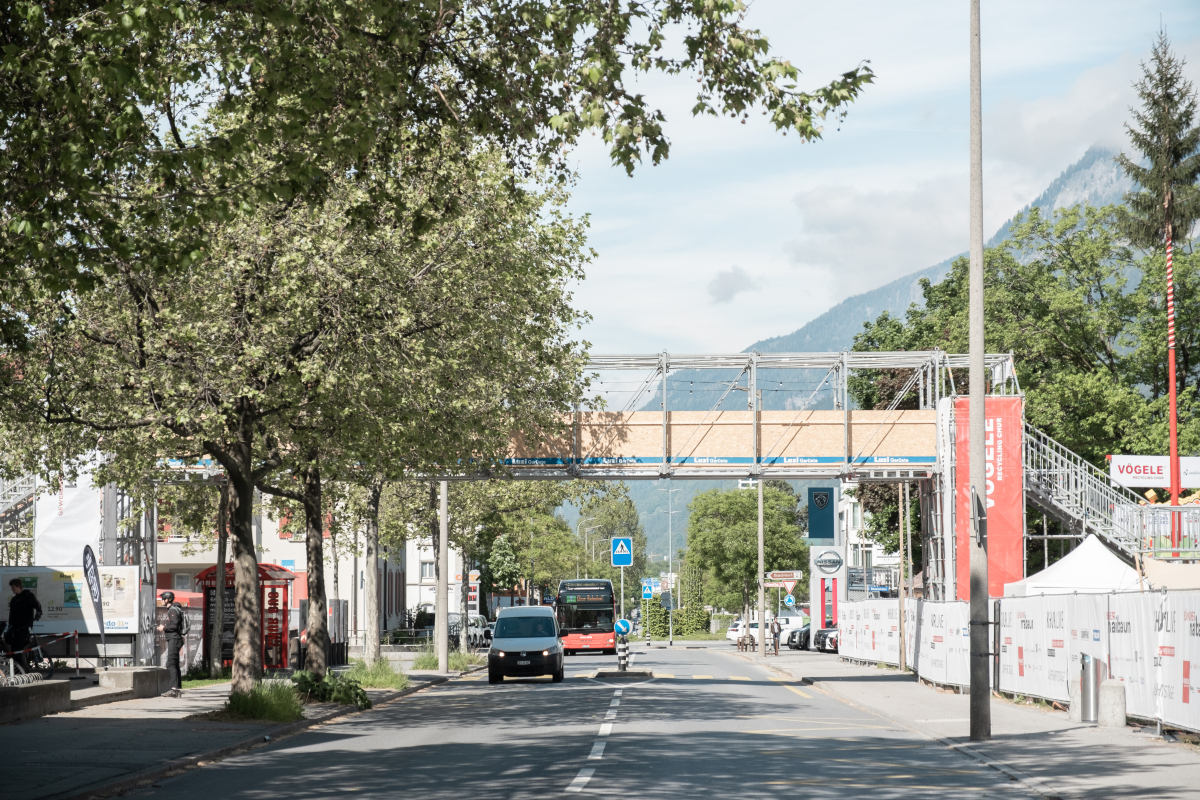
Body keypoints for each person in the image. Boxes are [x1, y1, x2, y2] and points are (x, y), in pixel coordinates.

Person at [6, 577, 43, 672]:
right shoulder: (14, 600)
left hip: (25, 626)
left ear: (18, 586)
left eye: (13, 587)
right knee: (14, 649)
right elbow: (11, 615)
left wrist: (38, 612)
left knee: (20, 648)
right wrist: (10, 627)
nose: (12, 589)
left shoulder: (28, 595)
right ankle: (16, 670)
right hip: (15, 628)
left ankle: (22, 670)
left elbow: (37, 605)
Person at [157, 591, 184, 698]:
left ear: (167, 599)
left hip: (174, 639)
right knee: (175, 663)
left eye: (162, 599)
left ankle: (173, 690)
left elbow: (174, 626)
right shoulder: (175, 609)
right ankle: (177, 689)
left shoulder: (172, 610)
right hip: (175, 639)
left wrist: (163, 628)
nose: (161, 600)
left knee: (170, 664)